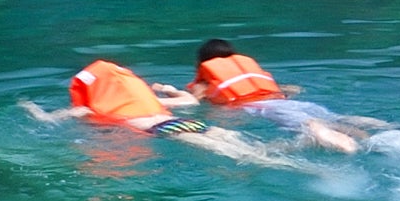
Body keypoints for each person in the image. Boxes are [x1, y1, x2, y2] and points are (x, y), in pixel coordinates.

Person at [24, 60, 299, 167]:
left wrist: (31, 108)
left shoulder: (86, 108)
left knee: (242, 156)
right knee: (249, 145)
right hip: (186, 121)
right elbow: (190, 100)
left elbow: (48, 120)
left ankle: (311, 170)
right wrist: (168, 89)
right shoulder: (147, 99)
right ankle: (304, 144)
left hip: (163, 131)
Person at [188, 39, 400, 155]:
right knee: (338, 118)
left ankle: (342, 142)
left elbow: (192, 101)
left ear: (203, 63)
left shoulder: (208, 81)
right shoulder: (249, 73)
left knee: (312, 125)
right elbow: (292, 89)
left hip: (268, 108)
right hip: (291, 101)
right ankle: (385, 128)